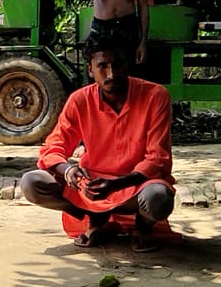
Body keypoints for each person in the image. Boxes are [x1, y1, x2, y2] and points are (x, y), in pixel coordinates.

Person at [19, 35, 174, 253]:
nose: (111, 74)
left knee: (158, 197)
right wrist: (68, 171)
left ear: (128, 65)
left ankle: (142, 227)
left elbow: (158, 159)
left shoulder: (155, 96)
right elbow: (53, 147)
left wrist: (116, 184)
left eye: (118, 64)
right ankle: (95, 220)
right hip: (91, 186)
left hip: (135, 186)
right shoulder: (79, 100)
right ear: (90, 70)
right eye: (102, 66)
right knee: (31, 183)